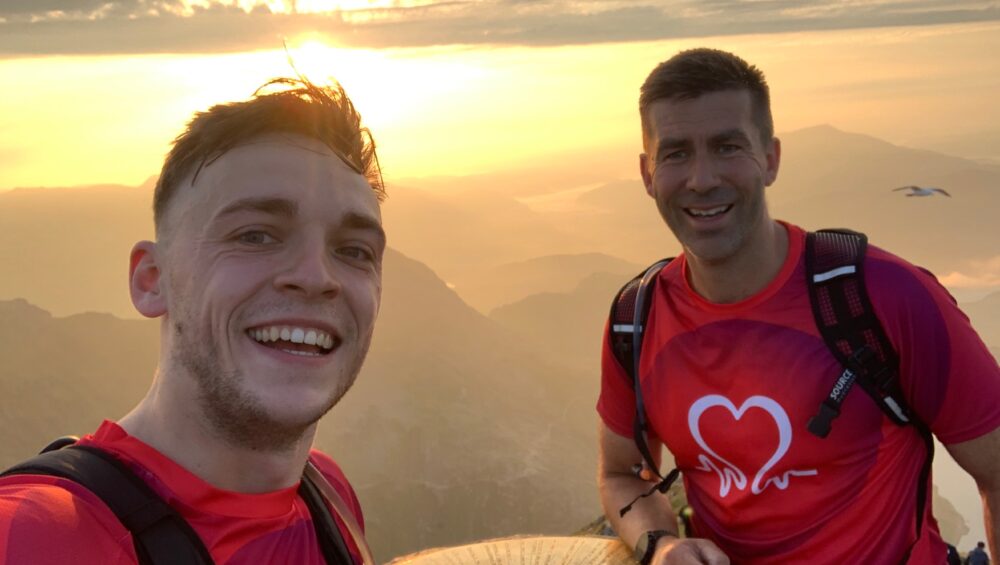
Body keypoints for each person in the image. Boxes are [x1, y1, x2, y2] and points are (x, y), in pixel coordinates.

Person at [595, 48, 1000, 564]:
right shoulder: (637, 318)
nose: (701, 179)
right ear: (647, 173)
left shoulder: (885, 298)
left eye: (727, 146)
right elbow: (621, 474)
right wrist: (660, 543)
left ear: (771, 159)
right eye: (675, 153)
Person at [0, 76, 387, 563]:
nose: (316, 276)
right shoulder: (38, 534)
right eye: (256, 236)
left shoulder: (328, 495)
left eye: (354, 250)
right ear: (152, 279)